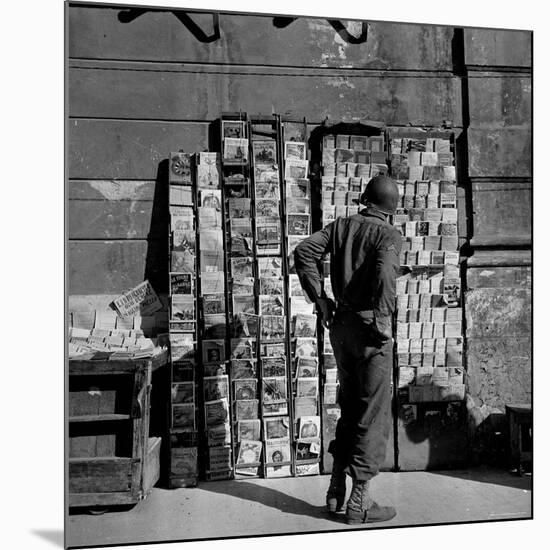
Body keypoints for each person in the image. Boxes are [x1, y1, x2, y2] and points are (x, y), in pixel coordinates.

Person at [294, 175, 401, 524]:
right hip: (371, 330)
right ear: (390, 209)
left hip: (342, 327)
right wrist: (383, 320)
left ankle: (335, 488)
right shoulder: (388, 234)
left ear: (365, 199)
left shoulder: (341, 226)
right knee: (372, 412)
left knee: (350, 403)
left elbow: (304, 251)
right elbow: (385, 275)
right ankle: (359, 501)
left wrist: (321, 300)